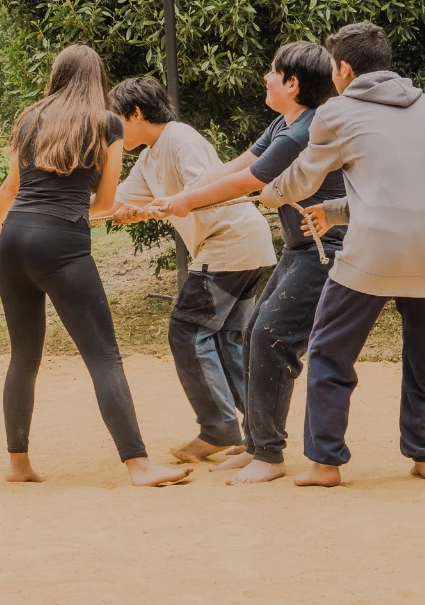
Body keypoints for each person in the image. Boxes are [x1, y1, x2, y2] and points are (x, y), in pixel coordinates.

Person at [258, 22, 425, 487]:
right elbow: (405, 190)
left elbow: (301, 179)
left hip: (373, 254)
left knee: (328, 351)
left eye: (333, 67)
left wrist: (273, 193)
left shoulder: (337, 111)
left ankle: (325, 463)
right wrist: (333, 211)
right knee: (423, 353)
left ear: (344, 68)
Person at [0, 45, 189, 488]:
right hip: (62, 243)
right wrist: (84, 206)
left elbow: (13, 186)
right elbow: (106, 202)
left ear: (57, 74)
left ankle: (18, 464)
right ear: (98, 79)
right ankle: (138, 465)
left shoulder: (30, 117)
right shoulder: (107, 123)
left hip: (13, 241)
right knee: (104, 357)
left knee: (23, 356)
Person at [148, 42, 345, 484]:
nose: (265, 78)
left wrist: (184, 202)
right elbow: (238, 164)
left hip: (326, 251)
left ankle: (269, 456)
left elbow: (248, 181)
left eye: (272, 72)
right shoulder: (284, 123)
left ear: (292, 84)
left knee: (272, 338)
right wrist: (175, 198)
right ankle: (258, 445)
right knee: (256, 334)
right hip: (300, 249)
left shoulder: (304, 133)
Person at [108, 76, 276, 464]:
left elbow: (206, 184)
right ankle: (257, 432)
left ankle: (218, 429)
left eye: (117, 119)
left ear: (135, 113)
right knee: (225, 340)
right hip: (239, 247)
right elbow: (118, 204)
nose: (114, 129)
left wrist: (172, 202)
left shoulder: (179, 137)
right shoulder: (149, 157)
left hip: (228, 244)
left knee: (187, 331)